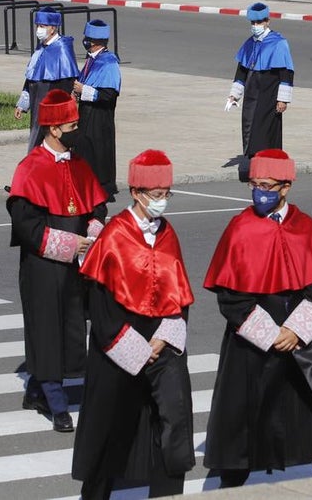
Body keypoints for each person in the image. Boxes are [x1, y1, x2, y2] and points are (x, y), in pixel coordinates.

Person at [202, 149, 312, 488]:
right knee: (242, 420)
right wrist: (270, 334)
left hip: (302, 336)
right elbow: (230, 297)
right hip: (253, 339)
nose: (259, 192)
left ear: (285, 187)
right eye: (254, 185)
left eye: (267, 185)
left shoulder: (308, 229)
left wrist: (295, 331)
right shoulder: (239, 229)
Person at [72, 150, 196, 499]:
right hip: (119, 348)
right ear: (137, 194)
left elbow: (179, 293)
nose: (162, 202)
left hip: (162, 343)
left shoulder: (168, 234)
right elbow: (100, 307)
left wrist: (164, 339)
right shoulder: (114, 235)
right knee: (109, 430)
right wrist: (136, 350)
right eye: (156, 196)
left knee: (174, 422)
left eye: (167, 194)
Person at [8, 89, 108, 433]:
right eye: (72, 124)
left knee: (71, 326)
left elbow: (97, 206)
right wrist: (70, 245)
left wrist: (93, 233)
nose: (77, 129)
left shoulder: (79, 162)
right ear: (53, 129)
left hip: (77, 264)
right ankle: (56, 399)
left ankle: (38, 388)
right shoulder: (29, 168)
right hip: (44, 265)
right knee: (46, 329)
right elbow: (26, 226)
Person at [226, 2, 294, 161]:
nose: (255, 26)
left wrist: (283, 99)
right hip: (251, 93)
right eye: (253, 23)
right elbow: (241, 72)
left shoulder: (279, 42)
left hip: (269, 95)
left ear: (267, 21)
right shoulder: (249, 43)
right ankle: (253, 161)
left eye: (259, 22)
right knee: (249, 127)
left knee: (264, 131)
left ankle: (266, 162)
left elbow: (286, 73)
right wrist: (234, 95)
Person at [15, 9, 80, 152]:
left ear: (53, 28)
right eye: (38, 25)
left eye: (43, 26)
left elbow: (67, 84)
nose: (39, 29)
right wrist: (23, 104)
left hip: (53, 109)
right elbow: (31, 78)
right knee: (35, 135)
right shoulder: (40, 48)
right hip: (37, 105)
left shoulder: (62, 49)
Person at [71, 20, 121, 200]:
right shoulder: (92, 60)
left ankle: (100, 191)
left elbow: (109, 95)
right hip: (86, 115)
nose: (85, 41)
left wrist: (83, 90)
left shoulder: (109, 62)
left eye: (87, 39)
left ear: (95, 41)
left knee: (98, 155)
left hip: (100, 119)